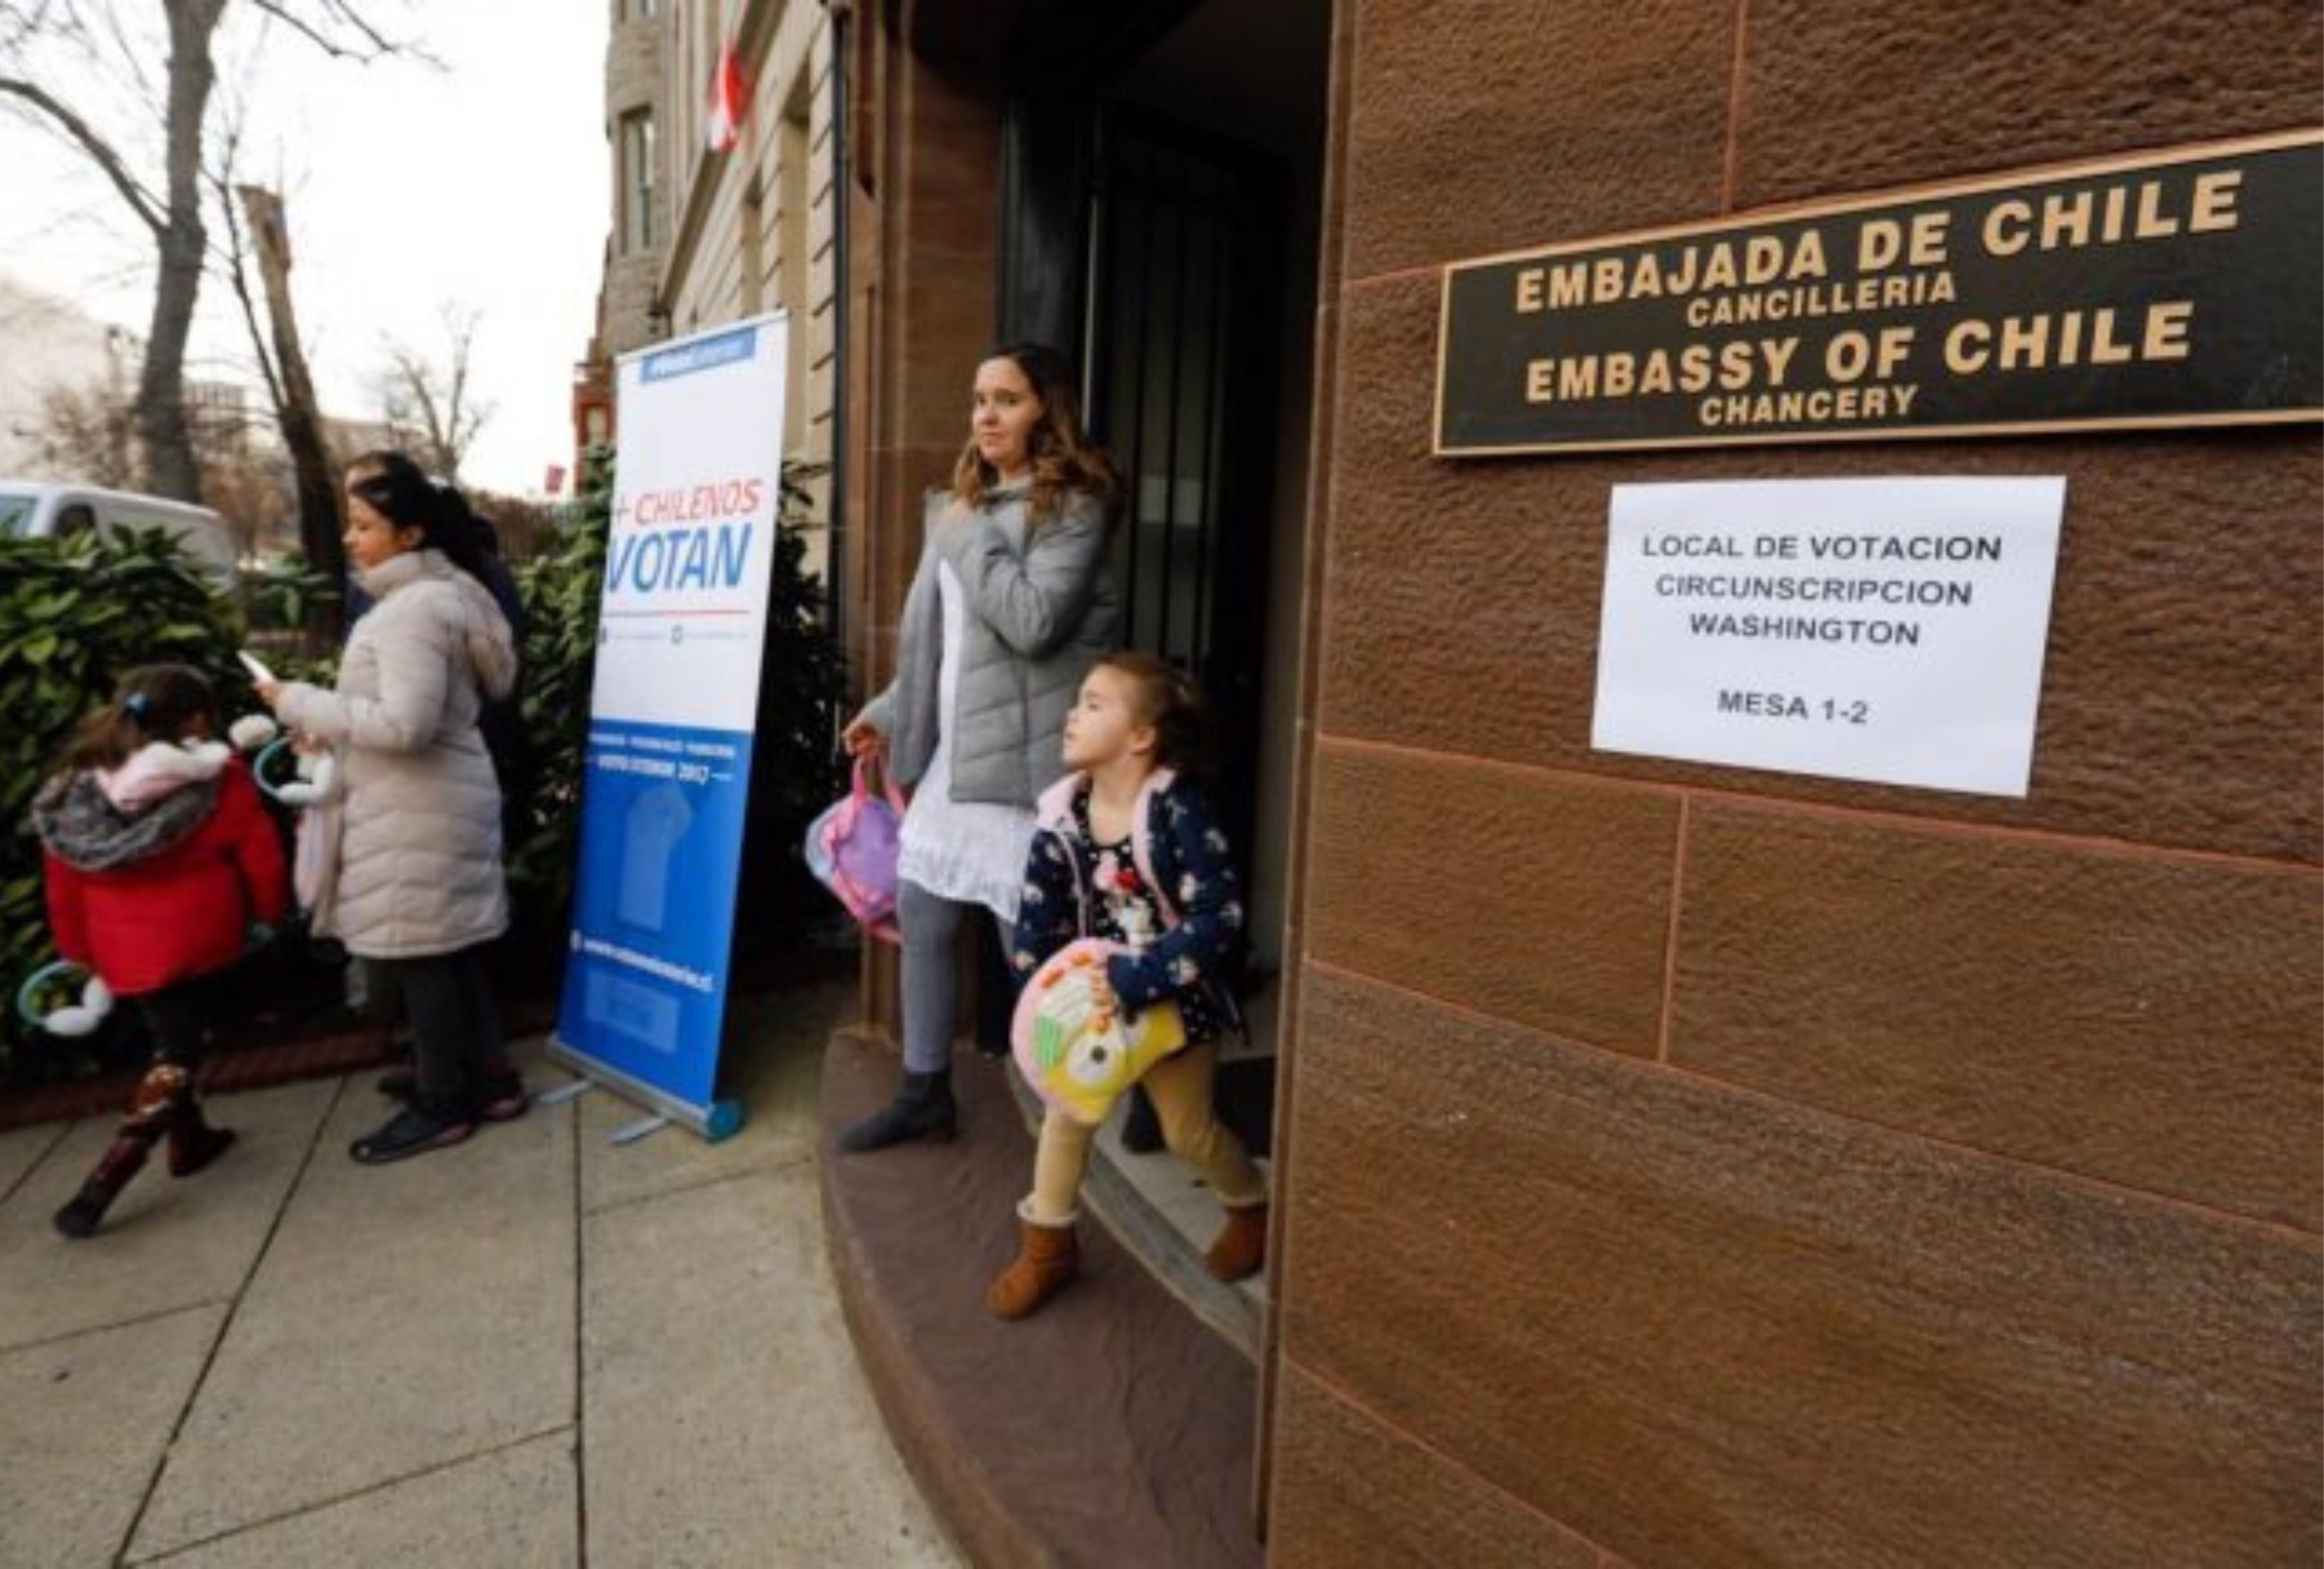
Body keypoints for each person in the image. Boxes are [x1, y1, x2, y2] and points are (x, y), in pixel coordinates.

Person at [837, 344, 1121, 1152]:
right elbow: (945, 644)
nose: (986, 416)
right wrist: (891, 710)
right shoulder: (967, 507)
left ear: (1048, 411)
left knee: (1027, 952)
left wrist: (965, 536)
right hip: (957, 760)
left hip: (1024, 769)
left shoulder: (1076, 505)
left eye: (1008, 399)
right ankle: (925, 1090)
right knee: (924, 912)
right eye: (978, 399)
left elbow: (1033, 624)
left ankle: (1071, 1115)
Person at [257, 452, 524, 1164]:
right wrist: (329, 717)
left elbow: (406, 726)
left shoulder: (411, 612)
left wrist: (299, 702)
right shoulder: (447, 596)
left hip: (417, 807)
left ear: (408, 536)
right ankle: (489, 1077)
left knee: (423, 957)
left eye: (364, 524)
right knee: (453, 949)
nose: (350, 537)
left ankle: (445, 1103)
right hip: (435, 802)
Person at [985, 653, 1269, 1319]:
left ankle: (1250, 1206)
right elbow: (1038, 918)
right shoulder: (1063, 815)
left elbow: (1219, 918)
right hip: (1094, 1008)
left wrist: (1139, 978)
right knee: (1068, 1114)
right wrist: (1041, 1002)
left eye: (1093, 703)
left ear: (1141, 737)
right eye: (1076, 701)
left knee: (1187, 1132)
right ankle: (1047, 1246)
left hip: (1175, 1002)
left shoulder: (1178, 810)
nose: (1072, 714)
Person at [32, 664, 287, 1238]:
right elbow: (260, 855)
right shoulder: (219, 776)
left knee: (172, 1037)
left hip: (120, 944)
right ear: (195, 721)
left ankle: (189, 1138)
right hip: (202, 931)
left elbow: (63, 882)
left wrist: (79, 951)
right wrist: (271, 915)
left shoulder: (74, 791)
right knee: (178, 1050)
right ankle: (111, 1173)